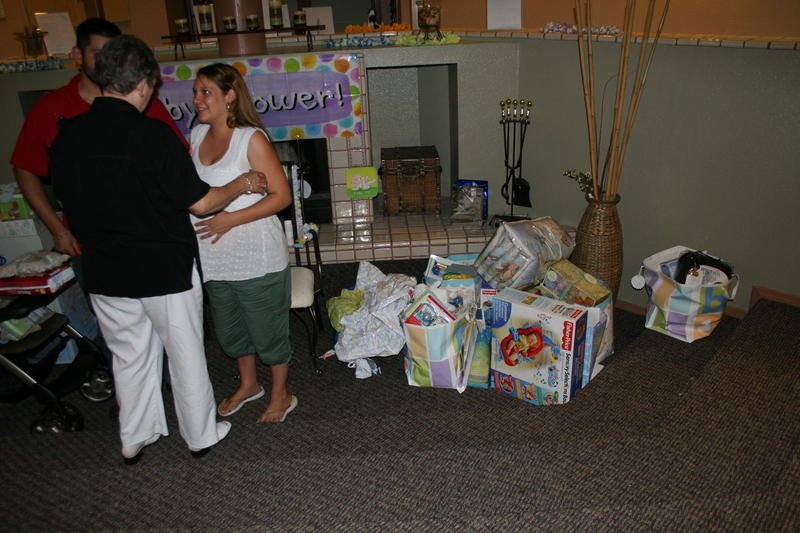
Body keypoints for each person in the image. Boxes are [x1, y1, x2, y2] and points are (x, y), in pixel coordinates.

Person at [49, 35, 268, 464]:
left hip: (104, 269)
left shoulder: (67, 135)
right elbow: (202, 203)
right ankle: (200, 435)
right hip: (163, 267)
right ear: (144, 84)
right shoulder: (151, 135)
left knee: (128, 356)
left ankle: (135, 436)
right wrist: (242, 183)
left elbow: (65, 200)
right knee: (184, 353)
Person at [10, 17, 187, 260]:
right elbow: (25, 167)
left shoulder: (145, 102)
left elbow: (179, 164)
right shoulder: (51, 108)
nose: (108, 63)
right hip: (89, 243)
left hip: (148, 241)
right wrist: (58, 230)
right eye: (99, 54)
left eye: (115, 55)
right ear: (78, 55)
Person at [190, 63, 296, 424]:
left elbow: (282, 196)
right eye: (196, 91)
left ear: (230, 96)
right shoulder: (196, 136)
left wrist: (229, 220)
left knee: (268, 333)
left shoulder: (250, 139)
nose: (197, 99)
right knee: (231, 332)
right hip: (214, 258)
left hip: (256, 257)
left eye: (206, 92)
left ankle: (281, 394)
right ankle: (249, 385)